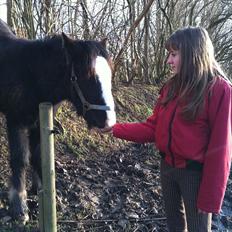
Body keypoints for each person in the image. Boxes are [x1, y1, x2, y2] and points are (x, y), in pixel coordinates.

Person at [100, 26, 232, 231]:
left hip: (195, 176)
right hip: (167, 169)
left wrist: (211, 196)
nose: (168, 61)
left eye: (174, 54)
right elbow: (153, 128)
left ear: (192, 54)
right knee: (174, 227)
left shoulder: (218, 89)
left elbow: (221, 148)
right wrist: (115, 129)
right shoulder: (170, 87)